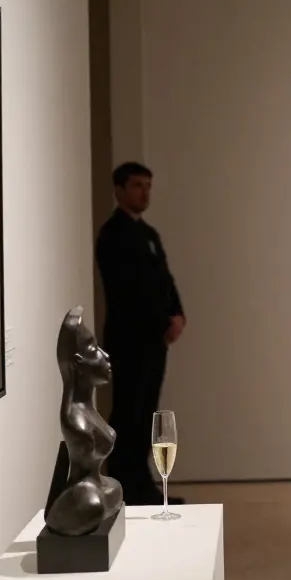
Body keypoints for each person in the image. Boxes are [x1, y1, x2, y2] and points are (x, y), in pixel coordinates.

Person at [95, 161, 187, 506]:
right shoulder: (112, 235)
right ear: (119, 190)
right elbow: (127, 291)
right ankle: (125, 484)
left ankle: (143, 483)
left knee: (148, 410)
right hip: (129, 339)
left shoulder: (149, 235)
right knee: (129, 411)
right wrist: (162, 320)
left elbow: (165, 280)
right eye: (137, 185)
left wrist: (177, 314)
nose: (144, 192)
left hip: (154, 341)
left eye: (148, 185)